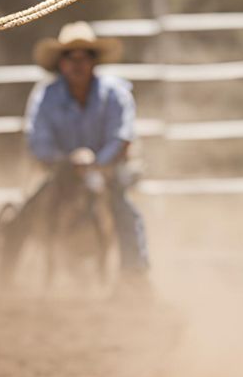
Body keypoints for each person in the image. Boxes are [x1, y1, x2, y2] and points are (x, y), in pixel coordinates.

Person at [12, 21, 149, 275]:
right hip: (62, 169)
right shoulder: (46, 96)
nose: (77, 63)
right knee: (27, 211)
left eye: (84, 57)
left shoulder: (116, 93)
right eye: (70, 57)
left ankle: (135, 274)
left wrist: (96, 164)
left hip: (108, 169)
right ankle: (5, 273)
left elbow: (121, 138)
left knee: (124, 210)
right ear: (61, 63)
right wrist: (66, 162)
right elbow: (38, 140)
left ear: (93, 61)